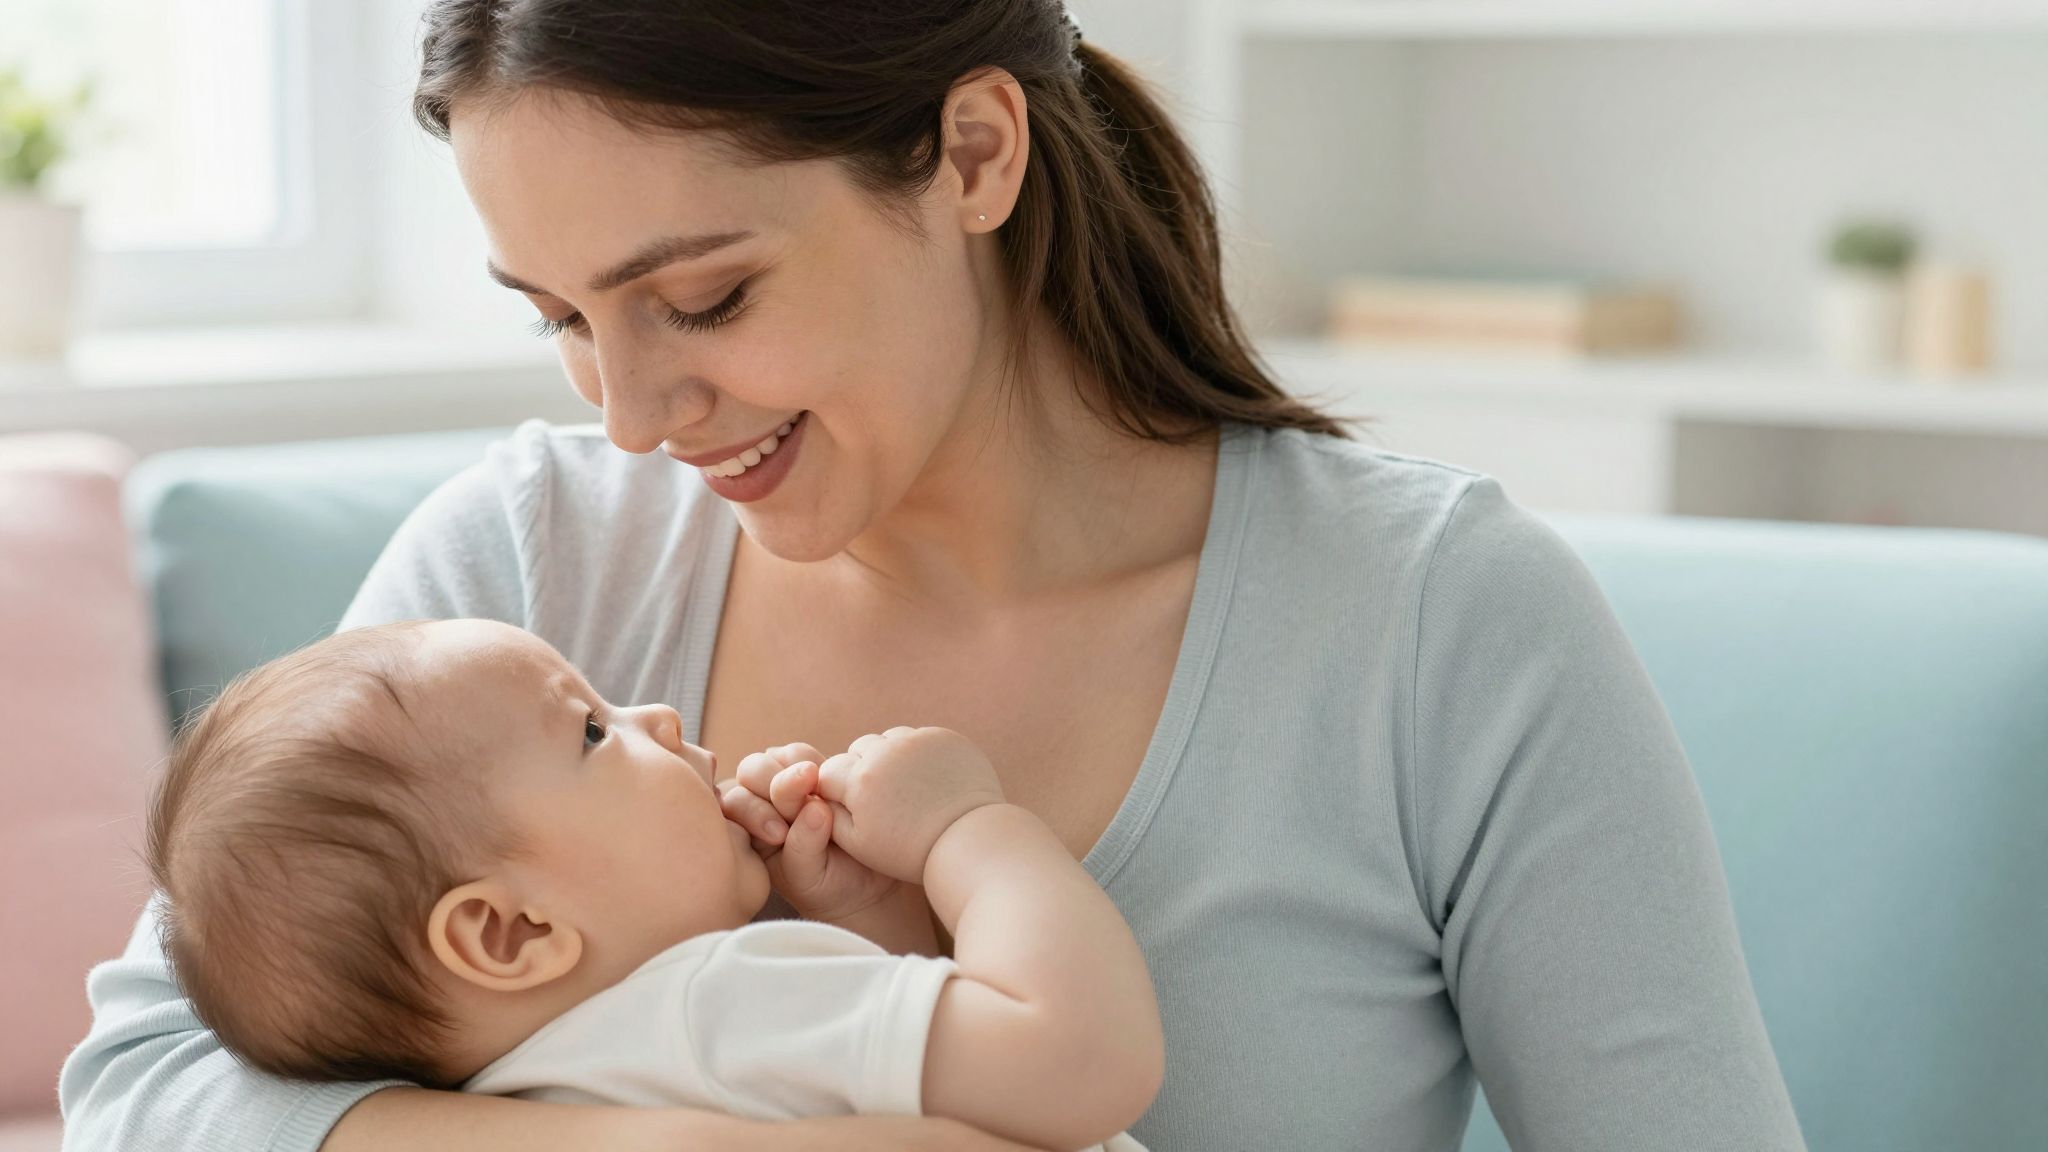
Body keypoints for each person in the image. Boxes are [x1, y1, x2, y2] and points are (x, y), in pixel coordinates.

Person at [60, 1, 1808, 1149]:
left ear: (973, 152)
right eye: (562, 321)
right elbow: (147, 1079)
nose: (637, 412)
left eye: (705, 298)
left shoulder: (1432, 625)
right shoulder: (526, 567)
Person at [143, 618, 1155, 1152]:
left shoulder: (536, 1092)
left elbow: (923, 1083)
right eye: (591, 730)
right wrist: (967, 831)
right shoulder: (718, 1001)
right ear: (507, 934)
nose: (658, 716)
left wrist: (855, 918)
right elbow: (1076, 1062)